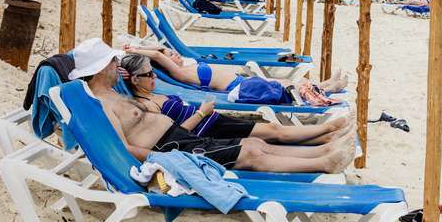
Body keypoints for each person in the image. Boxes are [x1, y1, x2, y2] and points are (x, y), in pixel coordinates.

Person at [75, 40, 356, 173]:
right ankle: (324, 161)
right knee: (250, 152)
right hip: (169, 149)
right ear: (100, 68)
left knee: (254, 144)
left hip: (180, 137)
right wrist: (166, 161)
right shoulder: (99, 104)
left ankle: (324, 148)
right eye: (113, 62)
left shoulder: (113, 93)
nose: (117, 66)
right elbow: (123, 149)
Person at [118, 53, 349, 145]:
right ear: (135, 80)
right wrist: (201, 113)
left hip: (212, 120)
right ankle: (329, 130)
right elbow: (171, 135)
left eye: (153, 72)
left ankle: (325, 136)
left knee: (271, 132)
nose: (153, 77)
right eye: (148, 75)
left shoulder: (154, 94)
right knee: (273, 131)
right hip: (207, 129)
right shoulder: (146, 105)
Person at [123, 45, 346, 95]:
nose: (176, 55)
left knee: (286, 85)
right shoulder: (179, 73)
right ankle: (327, 88)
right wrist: (135, 49)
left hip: (240, 81)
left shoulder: (187, 66)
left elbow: (160, 50)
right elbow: (158, 54)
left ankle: (326, 85)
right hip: (236, 87)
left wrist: (150, 47)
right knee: (286, 87)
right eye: (172, 55)